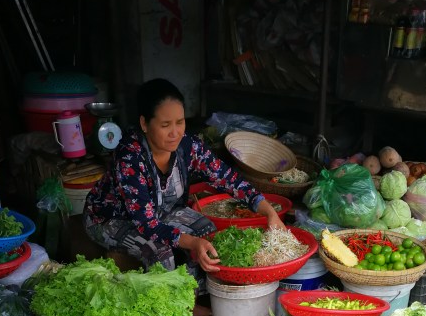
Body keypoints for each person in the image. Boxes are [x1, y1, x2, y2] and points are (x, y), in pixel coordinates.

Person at [83, 78, 287, 284]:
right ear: (145, 124)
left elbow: (228, 179)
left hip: (161, 212)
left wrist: (269, 212)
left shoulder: (187, 146)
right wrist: (191, 242)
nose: (175, 133)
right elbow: (145, 223)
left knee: (207, 232)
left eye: (180, 122)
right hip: (112, 219)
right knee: (161, 253)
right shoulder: (130, 157)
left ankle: (195, 293)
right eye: (165, 125)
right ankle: (171, 309)